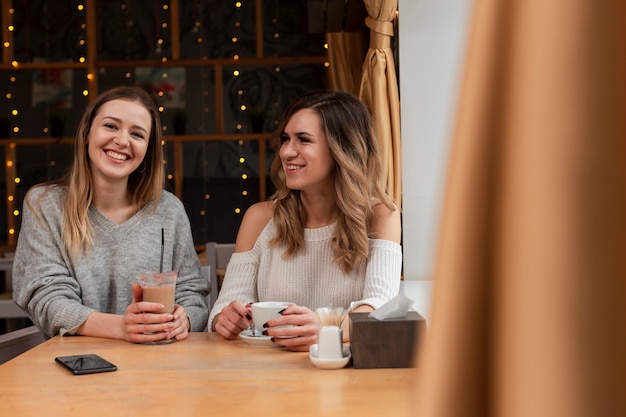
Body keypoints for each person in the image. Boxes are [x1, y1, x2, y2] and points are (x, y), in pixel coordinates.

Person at [209, 90, 402, 351]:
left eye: (304, 140)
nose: (287, 152)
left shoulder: (380, 216)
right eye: (286, 139)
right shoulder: (260, 218)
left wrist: (325, 327)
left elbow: (380, 310)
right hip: (267, 377)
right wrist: (226, 319)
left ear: (341, 149)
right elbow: (222, 310)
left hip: (340, 376)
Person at [12, 86, 209, 343]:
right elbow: (47, 298)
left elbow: (192, 294)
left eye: (137, 134)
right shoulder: (45, 204)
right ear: (86, 133)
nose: (122, 141)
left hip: (155, 367)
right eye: (111, 126)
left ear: (148, 150)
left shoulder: (168, 210)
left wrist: (186, 318)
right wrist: (122, 328)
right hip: (73, 367)